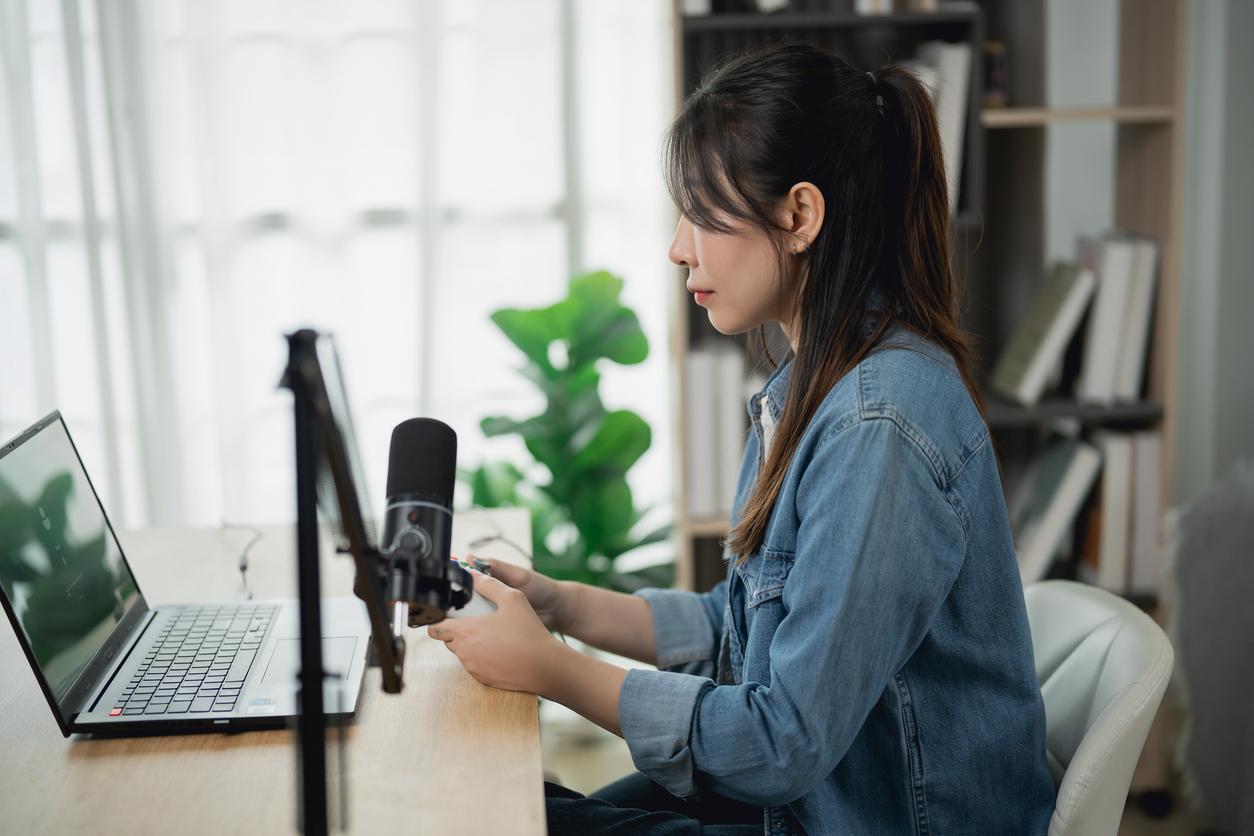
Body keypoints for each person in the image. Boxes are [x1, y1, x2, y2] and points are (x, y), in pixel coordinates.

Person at [426, 42, 1056, 835]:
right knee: (510, 804)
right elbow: (745, 627)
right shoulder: (818, 387)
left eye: (701, 212)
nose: (678, 246)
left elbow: (779, 740)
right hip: (816, 801)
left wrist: (552, 670)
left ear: (799, 215)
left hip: (867, 816)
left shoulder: (878, 426)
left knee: (510, 819)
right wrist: (564, 606)